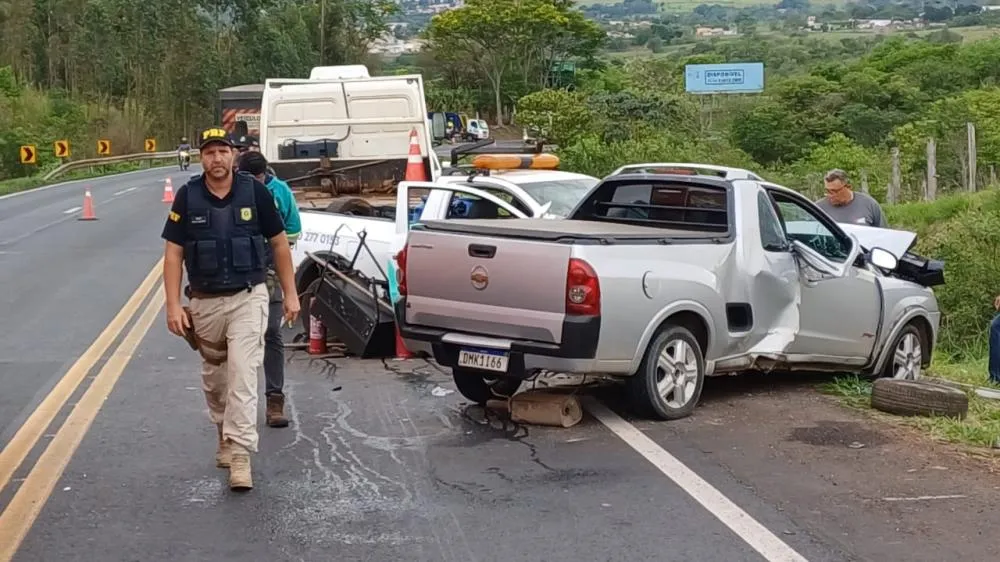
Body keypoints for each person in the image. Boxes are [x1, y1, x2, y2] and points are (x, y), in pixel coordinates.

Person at [161, 126, 300, 491]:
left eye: (223, 151)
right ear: (201, 158)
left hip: (248, 296)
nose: (217, 158)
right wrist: (173, 305)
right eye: (210, 153)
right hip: (204, 302)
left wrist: (291, 293)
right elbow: (173, 253)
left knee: (243, 373)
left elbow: (279, 243)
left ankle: (240, 454)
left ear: (233, 155)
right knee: (216, 379)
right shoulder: (187, 196)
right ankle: (223, 431)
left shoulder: (255, 192)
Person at [236, 151, 302, 428]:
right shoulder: (231, 191)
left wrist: (275, 242)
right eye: (249, 177)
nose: (255, 182)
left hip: (270, 268)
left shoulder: (280, 192)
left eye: (259, 177)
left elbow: (294, 230)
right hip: (239, 272)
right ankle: (239, 405)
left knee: (272, 331)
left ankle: (275, 399)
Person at [814, 169, 887, 227]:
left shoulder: (869, 205)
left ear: (848, 187)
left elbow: (883, 233)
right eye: (828, 191)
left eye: (835, 191)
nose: (830, 195)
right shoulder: (818, 209)